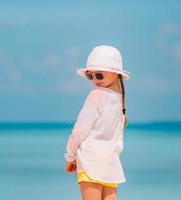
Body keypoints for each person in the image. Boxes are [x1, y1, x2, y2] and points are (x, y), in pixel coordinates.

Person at [64, 45, 131, 200]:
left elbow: (80, 130)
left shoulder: (97, 95)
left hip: (90, 161)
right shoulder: (120, 101)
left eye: (99, 75)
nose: (94, 80)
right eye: (90, 76)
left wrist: (70, 156)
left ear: (115, 74)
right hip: (111, 163)